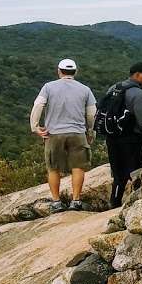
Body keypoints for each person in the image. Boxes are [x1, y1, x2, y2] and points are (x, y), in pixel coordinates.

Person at [30, 58, 97, 212]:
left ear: (59, 71)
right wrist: (90, 131)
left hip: (54, 133)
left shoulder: (48, 87)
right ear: (75, 72)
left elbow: (38, 105)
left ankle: (56, 202)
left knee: (53, 168)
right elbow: (92, 113)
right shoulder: (85, 89)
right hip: (78, 132)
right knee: (78, 167)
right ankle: (76, 201)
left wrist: (35, 127)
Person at [104, 62, 142, 208]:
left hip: (112, 137)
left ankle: (114, 204)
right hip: (132, 140)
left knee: (118, 176)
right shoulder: (140, 94)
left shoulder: (114, 88)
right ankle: (137, 206)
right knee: (137, 173)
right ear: (137, 74)